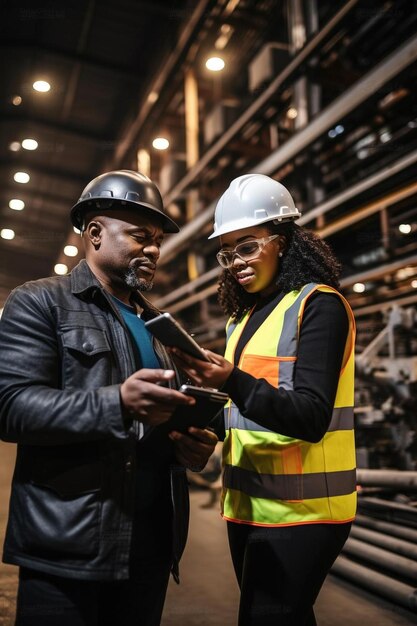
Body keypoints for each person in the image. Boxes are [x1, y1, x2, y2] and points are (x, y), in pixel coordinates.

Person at [0, 169, 218, 626]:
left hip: (150, 544)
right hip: (70, 543)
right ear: (95, 233)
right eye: (141, 236)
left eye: (158, 239)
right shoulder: (40, 303)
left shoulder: (160, 326)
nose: (154, 249)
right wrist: (116, 403)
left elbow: (157, 420)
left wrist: (188, 447)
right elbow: (11, 407)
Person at [171, 173, 356, 626]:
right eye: (227, 251)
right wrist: (203, 431)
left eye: (248, 245)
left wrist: (231, 380)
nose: (235, 261)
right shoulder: (243, 318)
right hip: (247, 506)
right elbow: (244, 407)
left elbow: (310, 416)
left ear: (285, 241)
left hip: (305, 514)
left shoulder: (320, 306)